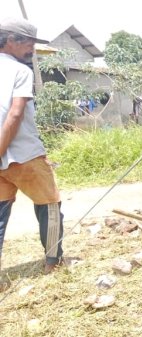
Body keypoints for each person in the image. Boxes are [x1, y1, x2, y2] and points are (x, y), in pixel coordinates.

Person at [0, 17, 65, 274]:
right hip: (23, 154)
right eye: (29, 43)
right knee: (49, 205)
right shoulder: (20, 71)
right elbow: (15, 114)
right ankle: (53, 263)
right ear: (12, 41)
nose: (32, 50)